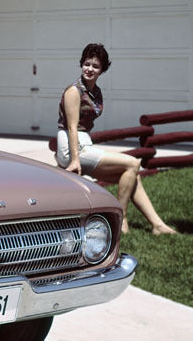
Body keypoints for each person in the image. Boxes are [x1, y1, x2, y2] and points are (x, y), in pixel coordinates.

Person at [56, 43, 176, 235]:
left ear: (102, 70)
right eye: (87, 64)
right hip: (71, 148)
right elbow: (71, 127)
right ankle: (120, 219)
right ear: (81, 64)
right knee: (132, 163)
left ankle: (157, 225)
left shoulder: (95, 92)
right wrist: (75, 159)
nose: (90, 69)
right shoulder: (74, 91)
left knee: (131, 174)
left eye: (95, 66)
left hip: (83, 144)